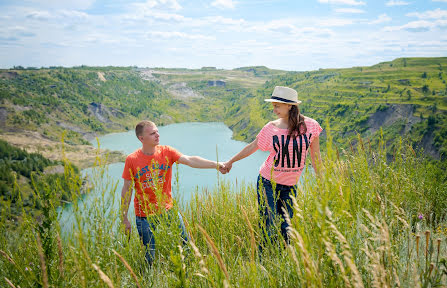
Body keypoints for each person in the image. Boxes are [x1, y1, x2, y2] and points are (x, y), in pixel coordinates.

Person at [223, 86, 323, 250]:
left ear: (290, 105)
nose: (274, 108)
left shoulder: (311, 126)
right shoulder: (271, 128)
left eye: (277, 105)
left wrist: (321, 180)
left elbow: (316, 156)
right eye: (273, 105)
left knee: (287, 226)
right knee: (268, 223)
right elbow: (253, 146)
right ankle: (263, 258)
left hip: (290, 185)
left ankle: (285, 258)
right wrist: (230, 162)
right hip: (268, 183)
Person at [121, 120, 227, 266]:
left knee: (185, 245)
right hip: (144, 216)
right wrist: (124, 217)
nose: (157, 135)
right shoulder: (132, 160)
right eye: (152, 133)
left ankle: (191, 273)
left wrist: (216, 164)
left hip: (167, 210)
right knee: (149, 255)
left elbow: (190, 160)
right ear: (141, 138)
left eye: (157, 131)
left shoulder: (167, 152)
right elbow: (127, 189)